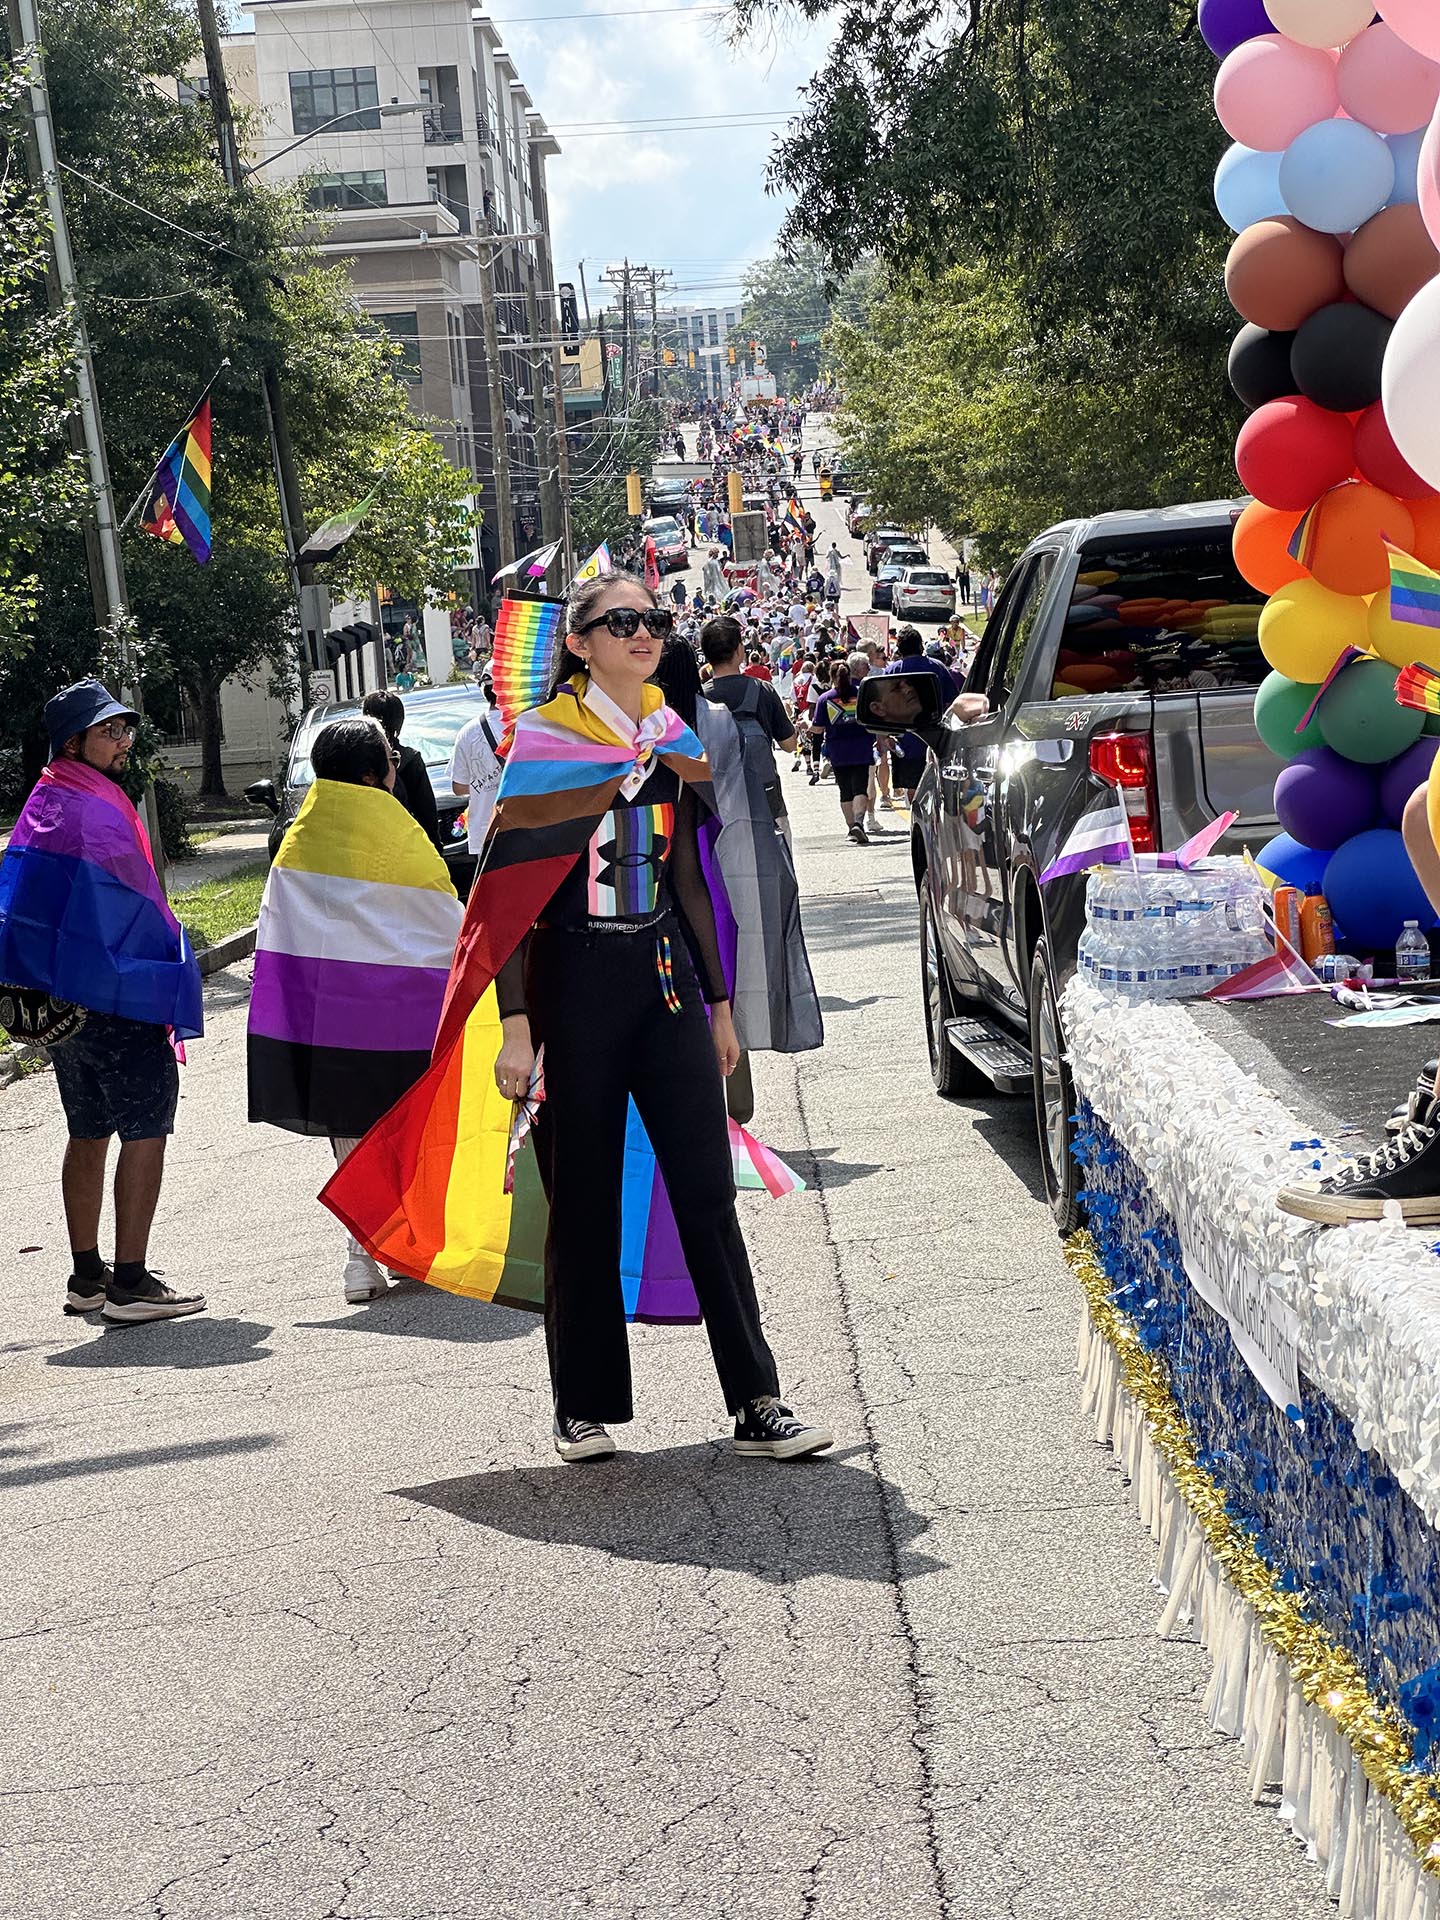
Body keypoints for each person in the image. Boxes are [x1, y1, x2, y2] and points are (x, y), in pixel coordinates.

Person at [324, 574, 832, 1465]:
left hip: (667, 981)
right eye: (621, 622)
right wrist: (518, 1026)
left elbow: (687, 883)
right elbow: (508, 899)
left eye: (654, 621)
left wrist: (720, 1005)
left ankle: (756, 1400)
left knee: (708, 1194)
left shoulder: (671, 737)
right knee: (583, 1199)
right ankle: (582, 1403)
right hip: (573, 990)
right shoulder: (547, 744)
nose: (644, 635)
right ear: (580, 644)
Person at [0, 679, 205, 1324]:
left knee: (86, 1130)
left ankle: (86, 1276)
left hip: (63, 1011)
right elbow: (131, 911)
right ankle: (131, 1283)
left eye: (124, 727)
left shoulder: (45, 801)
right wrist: (167, 970)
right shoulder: (99, 808)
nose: (124, 739)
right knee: (146, 1131)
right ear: (74, 742)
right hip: (115, 999)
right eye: (110, 730)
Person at [248, 717, 463, 1303]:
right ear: (373, 774)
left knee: (348, 1131)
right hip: (398, 1015)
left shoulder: (298, 836)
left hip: (329, 1017)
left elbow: (279, 928)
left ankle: (362, 1255)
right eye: (391, 761)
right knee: (403, 1129)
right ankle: (394, 1246)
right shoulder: (399, 834)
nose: (398, 770)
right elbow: (442, 922)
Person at [362, 691, 442, 850]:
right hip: (405, 848)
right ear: (399, 721)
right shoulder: (410, 759)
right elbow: (427, 815)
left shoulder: (355, 761)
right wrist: (436, 852)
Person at [810, 658, 876, 843]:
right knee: (860, 788)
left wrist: (806, 725)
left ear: (832, 676)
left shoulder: (825, 699)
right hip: (862, 748)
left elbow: (818, 728)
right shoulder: (862, 694)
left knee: (845, 790)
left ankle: (851, 829)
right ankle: (858, 823)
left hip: (838, 750)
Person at [448, 672, 505, 857]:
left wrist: (485, 785)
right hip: (525, 827)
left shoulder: (467, 733)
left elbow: (459, 787)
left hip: (485, 829)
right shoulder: (526, 724)